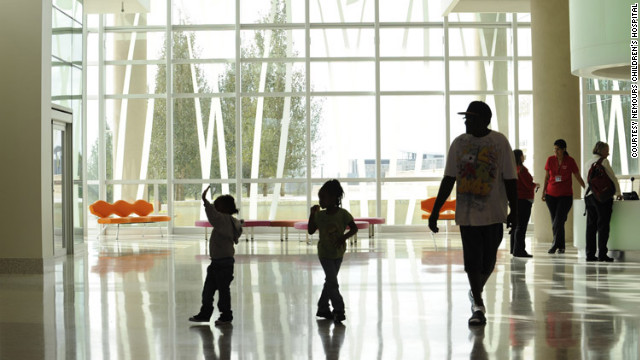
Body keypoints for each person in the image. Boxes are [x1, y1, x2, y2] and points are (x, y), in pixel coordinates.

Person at [429, 100, 518, 326]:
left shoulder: (499, 142)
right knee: (472, 262)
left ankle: (475, 291)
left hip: (494, 214)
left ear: (485, 120)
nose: (467, 122)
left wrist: (514, 210)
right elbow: (449, 178)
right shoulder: (459, 144)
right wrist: (435, 211)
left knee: (488, 261)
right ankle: (478, 305)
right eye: (466, 118)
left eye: (471, 118)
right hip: (468, 216)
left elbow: (510, 179)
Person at [189, 186, 243, 325]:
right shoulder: (229, 221)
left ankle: (225, 316)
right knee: (210, 290)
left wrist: (205, 201)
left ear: (223, 208)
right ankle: (207, 314)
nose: (215, 207)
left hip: (222, 264)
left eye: (217, 205)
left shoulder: (223, 220)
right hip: (219, 263)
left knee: (220, 291)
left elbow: (212, 215)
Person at [308, 179, 358, 323]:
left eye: (323, 197)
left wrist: (343, 237)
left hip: (338, 253)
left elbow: (354, 228)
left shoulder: (343, 214)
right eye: (319, 198)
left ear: (333, 198)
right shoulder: (320, 215)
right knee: (333, 282)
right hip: (325, 254)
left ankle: (323, 308)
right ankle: (339, 309)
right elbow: (311, 231)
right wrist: (312, 214)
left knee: (330, 281)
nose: (320, 201)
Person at [541, 139, 585, 254]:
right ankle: (562, 246)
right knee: (555, 221)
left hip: (565, 196)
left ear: (564, 149)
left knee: (558, 220)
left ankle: (555, 244)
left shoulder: (570, 161)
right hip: (551, 195)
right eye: (554, 149)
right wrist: (543, 192)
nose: (555, 151)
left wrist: (586, 187)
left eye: (558, 149)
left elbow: (577, 176)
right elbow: (546, 177)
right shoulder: (550, 160)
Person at [584, 141, 621, 262]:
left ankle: (589, 254)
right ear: (601, 151)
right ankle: (602, 254)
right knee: (603, 226)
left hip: (589, 196)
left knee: (591, 226)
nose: (608, 153)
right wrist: (618, 193)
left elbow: (586, 182)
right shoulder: (604, 162)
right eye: (607, 150)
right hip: (602, 198)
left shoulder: (587, 163)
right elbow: (612, 177)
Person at [510, 149, 539, 258]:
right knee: (522, 226)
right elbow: (528, 184)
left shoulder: (513, 169)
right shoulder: (522, 170)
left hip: (516, 199)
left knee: (516, 225)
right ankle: (519, 250)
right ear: (519, 157)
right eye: (522, 155)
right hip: (524, 199)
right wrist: (535, 185)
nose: (524, 156)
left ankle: (514, 248)